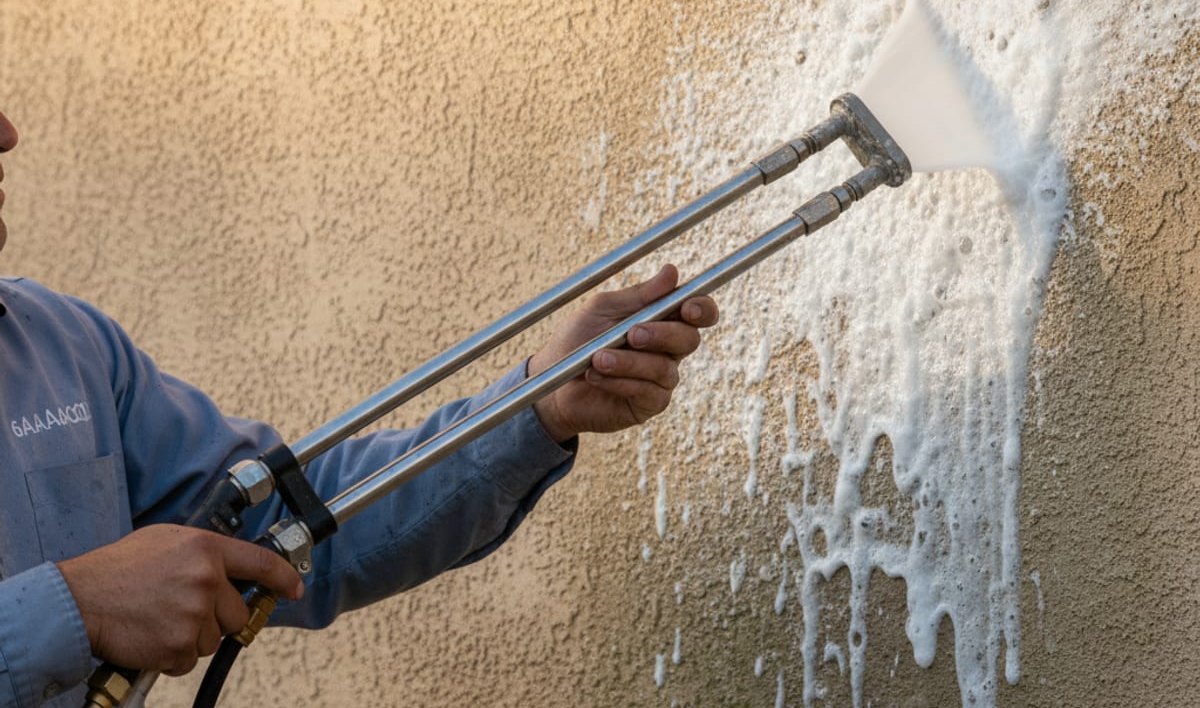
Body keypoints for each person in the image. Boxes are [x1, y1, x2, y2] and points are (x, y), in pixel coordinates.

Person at [0, 107, 719, 707]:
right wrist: (72, 609)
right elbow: (86, 601)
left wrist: (538, 402)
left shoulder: (65, 347)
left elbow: (293, 528)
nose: (7, 133)